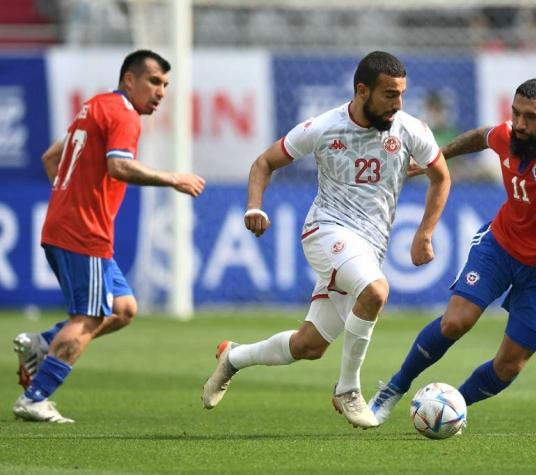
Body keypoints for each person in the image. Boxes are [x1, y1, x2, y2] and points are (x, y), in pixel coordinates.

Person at [202, 51, 450, 429]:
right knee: (376, 291)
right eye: (389, 95)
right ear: (362, 91)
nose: (397, 105)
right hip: (327, 230)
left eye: (401, 95)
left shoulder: (409, 128)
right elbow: (263, 163)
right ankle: (348, 389)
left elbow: (441, 176)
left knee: (309, 346)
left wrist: (425, 232)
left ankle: (233, 358)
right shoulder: (324, 127)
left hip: (370, 245)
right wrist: (255, 206)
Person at [368, 78, 536, 425]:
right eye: (516, 113)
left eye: (531, 117)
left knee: (509, 364)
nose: (519, 124)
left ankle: (450, 408)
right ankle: (395, 387)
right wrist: (437, 156)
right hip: (501, 245)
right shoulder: (508, 135)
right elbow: (479, 137)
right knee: (456, 321)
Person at [12, 49, 206, 423]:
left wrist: (71, 196)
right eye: (153, 81)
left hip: (70, 226)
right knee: (87, 318)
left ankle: (42, 344)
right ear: (129, 80)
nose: (161, 91)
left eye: (165, 84)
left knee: (123, 309)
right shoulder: (124, 115)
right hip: (83, 232)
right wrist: (172, 178)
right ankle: (35, 397)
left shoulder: (95, 106)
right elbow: (118, 166)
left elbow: (51, 157)